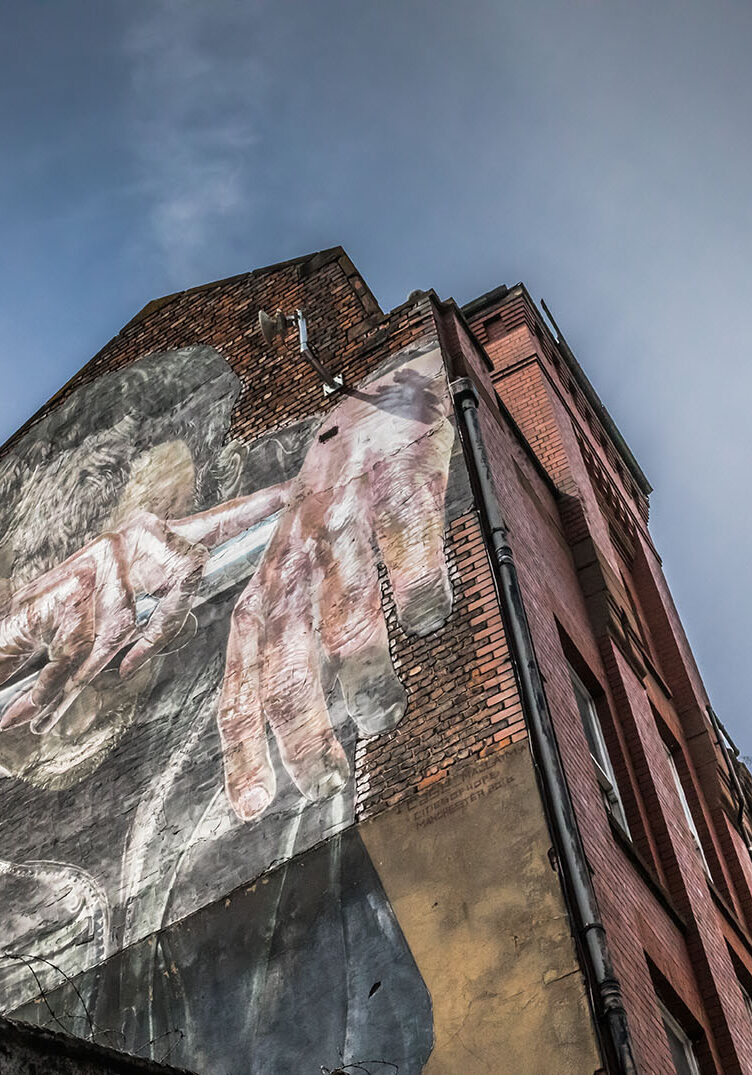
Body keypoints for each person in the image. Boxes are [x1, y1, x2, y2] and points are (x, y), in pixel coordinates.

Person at [0, 339, 455, 1073]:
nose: (146, 567)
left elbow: (437, 376)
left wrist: (386, 414)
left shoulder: (234, 656)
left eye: (174, 529)